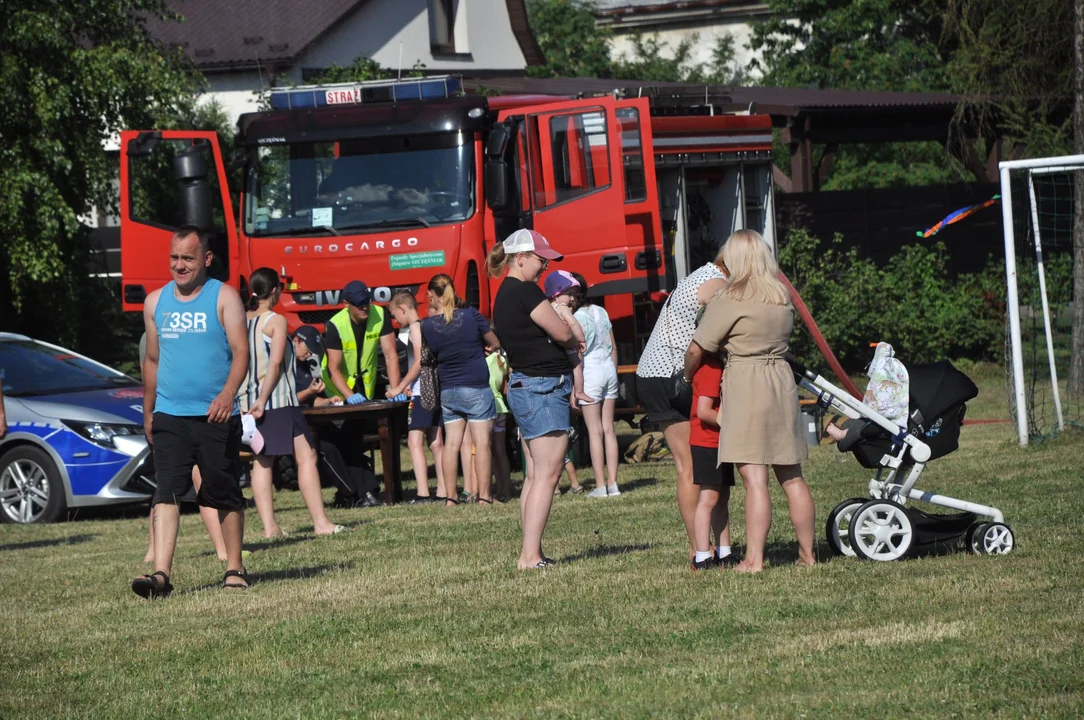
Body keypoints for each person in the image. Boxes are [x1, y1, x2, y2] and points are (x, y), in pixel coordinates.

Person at [686, 229, 816, 573]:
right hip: (781, 382)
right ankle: (808, 554)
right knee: (792, 478)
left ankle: (754, 559)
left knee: (755, 480)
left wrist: (688, 375)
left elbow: (699, 347)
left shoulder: (730, 299)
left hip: (746, 380)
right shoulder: (781, 295)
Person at [132, 225, 250, 598]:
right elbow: (151, 360)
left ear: (206, 259)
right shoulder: (155, 303)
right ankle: (161, 576)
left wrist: (227, 395)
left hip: (215, 415)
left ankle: (235, 567)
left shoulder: (224, 297)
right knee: (166, 490)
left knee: (221, 488)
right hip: (170, 414)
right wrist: (149, 411)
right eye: (174, 257)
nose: (179, 265)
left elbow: (241, 352)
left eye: (187, 258)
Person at [487, 228, 574, 569]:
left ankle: (530, 551)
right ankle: (530, 555)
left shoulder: (506, 293)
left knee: (537, 475)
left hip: (528, 386)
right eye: (541, 260)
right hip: (542, 388)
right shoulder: (525, 292)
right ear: (520, 259)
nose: (544, 268)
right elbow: (563, 332)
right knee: (549, 475)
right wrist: (566, 326)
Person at [635, 248, 728, 561]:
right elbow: (716, 319)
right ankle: (698, 548)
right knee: (690, 466)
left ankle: (707, 545)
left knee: (694, 465)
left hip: (656, 372)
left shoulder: (702, 273)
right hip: (671, 376)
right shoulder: (716, 281)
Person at [238, 269, 346, 538]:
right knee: (306, 457)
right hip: (277, 400)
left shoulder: (241, 321)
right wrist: (263, 399)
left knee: (262, 461)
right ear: (275, 291)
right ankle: (321, 523)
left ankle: (270, 527)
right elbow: (275, 363)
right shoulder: (275, 320)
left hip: (247, 400)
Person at [139, 332, 230, 563]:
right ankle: (158, 556)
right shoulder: (157, 329)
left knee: (175, 486)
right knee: (170, 487)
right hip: (173, 415)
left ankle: (221, 549)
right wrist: (149, 413)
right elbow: (149, 371)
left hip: (191, 413)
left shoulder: (180, 325)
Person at [422, 274, 501, 507]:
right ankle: (485, 497)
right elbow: (495, 342)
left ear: (434, 297)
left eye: (429, 298)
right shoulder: (472, 316)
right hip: (476, 386)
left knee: (451, 444)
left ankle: (451, 498)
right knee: (482, 444)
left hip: (449, 390)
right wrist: (485, 349)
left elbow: (431, 356)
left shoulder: (428, 326)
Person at [292, 326, 383, 508]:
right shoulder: (284, 365)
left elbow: (310, 401)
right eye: (308, 348)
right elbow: (288, 399)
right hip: (293, 424)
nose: (310, 354)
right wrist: (310, 392)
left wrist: (327, 401)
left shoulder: (304, 365)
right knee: (326, 449)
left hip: (313, 421)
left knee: (347, 441)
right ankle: (350, 493)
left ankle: (369, 492)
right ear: (296, 341)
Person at [385, 291, 446, 504]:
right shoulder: (427, 326)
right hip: (433, 390)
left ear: (403, 308)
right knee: (436, 441)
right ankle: (443, 490)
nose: (395, 320)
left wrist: (400, 386)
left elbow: (420, 360)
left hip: (422, 393)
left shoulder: (414, 328)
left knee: (414, 441)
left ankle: (422, 493)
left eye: (395, 315)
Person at [564, 273, 621, 498]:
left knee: (594, 431)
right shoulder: (601, 311)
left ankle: (600, 485)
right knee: (609, 429)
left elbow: (577, 353)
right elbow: (613, 346)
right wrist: (613, 371)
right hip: (608, 368)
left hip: (590, 370)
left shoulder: (575, 317)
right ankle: (613, 483)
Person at [688, 351, 738, 571]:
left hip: (719, 442)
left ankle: (724, 552)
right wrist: (733, 422)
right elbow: (703, 411)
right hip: (707, 442)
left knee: (722, 497)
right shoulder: (711, 368)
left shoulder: (716, 366)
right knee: (709, 499)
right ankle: (701, 555)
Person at [323, 280, 403, 404]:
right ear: (346, 304)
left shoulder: (380, 315)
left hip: (366, 387)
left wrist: (395, 389)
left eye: (366, 301)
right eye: (359, 304)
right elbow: (334, 368)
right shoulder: (336, 325)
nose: (365, 307)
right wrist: (349, 395)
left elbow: (390, 355)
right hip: (339, 392)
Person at [543, 271, 594, 408]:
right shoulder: (562, 307)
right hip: (568, 345)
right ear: (557, 294)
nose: (572, 299)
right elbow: (573, 323)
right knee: (577, 365)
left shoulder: (547, 308)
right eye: (569, 294)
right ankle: (579, 391)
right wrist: (581, 339)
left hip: (554, 345)